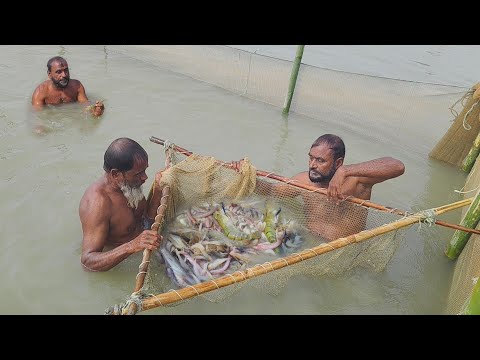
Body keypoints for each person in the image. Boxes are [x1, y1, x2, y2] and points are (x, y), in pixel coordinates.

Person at [231, 134, 405, 241]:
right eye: (311, 158)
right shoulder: (304, 181)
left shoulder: (356, 181)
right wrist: (247, 176)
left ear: (338, 163)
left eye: (320, 160)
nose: (312, 165)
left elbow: (396, 166)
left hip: (344, 250)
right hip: (309, 243)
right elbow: (272, 191)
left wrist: (345, 171)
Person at [79, 138, 164, 272]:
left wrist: (158, 190)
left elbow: (146, 219)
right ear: (115, 174)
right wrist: (131, 246)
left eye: (145, 170)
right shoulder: (98, 203)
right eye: (138, 173)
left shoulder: (130, 185)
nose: (145, 178)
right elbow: (88, 262)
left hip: (147, 244)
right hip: (126, 262)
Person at [31, 56, 105, 117]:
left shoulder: (77, 86)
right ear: (49, 74)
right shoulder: (40, 92)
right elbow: (37, 115)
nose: (64, 75)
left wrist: (95, 111)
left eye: (66, 70)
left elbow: (85, 105)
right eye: (59, 72)